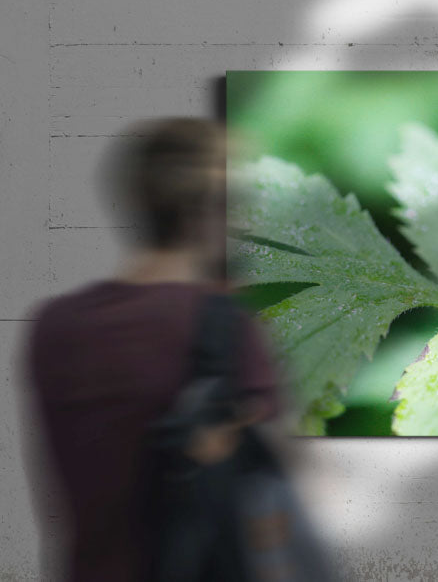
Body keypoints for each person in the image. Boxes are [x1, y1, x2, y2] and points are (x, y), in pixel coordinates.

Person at [24, 118, 280, 581]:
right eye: (240, 206)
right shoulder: (222, 324)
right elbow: (269, 507)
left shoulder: (53, 325)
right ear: (209, 211)